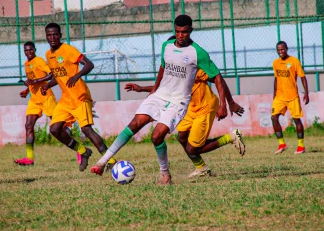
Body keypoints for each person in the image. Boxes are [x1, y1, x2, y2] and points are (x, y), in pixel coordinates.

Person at [91, 15, 244, 184]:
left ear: (190, 31)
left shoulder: (198, 53)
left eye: (184, 32)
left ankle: (165, 175)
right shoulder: (166, 46)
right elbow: (163, 70)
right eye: (178, 31)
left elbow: (218, 78)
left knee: (158, 136)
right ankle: (102, 161)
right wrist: (152, 90)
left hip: (180, 103)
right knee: (135, 124)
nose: (180, 35)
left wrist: (226, 104)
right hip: (160, 96)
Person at [124, 68, 245, 179]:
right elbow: (164, 89)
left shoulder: (193, 66)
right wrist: (141, 89)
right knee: (182, 137)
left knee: (192, 149)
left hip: (205, 106)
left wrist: (228, 103)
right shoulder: (174, 69)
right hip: (190, 107)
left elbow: (219, 80)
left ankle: (232, 137)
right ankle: (201, 168)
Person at [41, 23, 116, 171]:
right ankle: (83, 151)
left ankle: (111, 161)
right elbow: (59, 75)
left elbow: (89, 64)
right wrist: (48, 85)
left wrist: (77, 75)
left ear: (60, 35)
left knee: (87, 130)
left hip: (79, 96)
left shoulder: (68, 50)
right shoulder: (48, 55)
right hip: (66, 99)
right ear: (46, 36)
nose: (52, 37)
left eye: (55, 34)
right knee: (55, 130)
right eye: (49, 35)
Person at [14, 41, 58, 166]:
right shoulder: (26, 64)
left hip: (46, 98)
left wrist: (35, 80)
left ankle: (79, 149)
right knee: (28, 125)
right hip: (34, 100)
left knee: (59, 126)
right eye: (26, 51)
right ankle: (29, 158)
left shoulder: (39, 61)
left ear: (35, 49)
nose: (28, 52)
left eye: (30, 50)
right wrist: (27, 90)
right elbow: (31, 81)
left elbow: (51, 74)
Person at [272, 41, 309, 154]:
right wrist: (274, 94)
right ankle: (282, 144)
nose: (280, 52)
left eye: (282, 49)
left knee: (297, 120)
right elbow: (276, 79)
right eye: (278, 50)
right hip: (280, 96)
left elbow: (303, 77)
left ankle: (301, 146)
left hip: (292, 96)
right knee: (274, 118)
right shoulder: (275, 63)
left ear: (286, 49)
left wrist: (306, 93)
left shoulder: (294, 61)